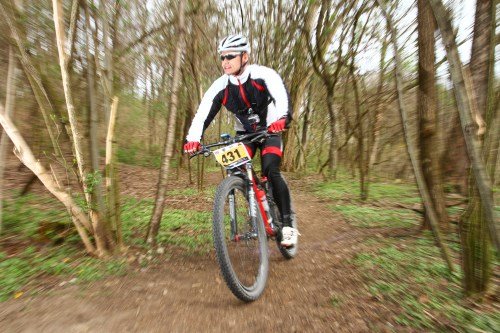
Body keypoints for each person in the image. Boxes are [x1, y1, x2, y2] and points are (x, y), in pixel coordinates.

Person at [183, 34, 299, 246]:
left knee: (271, 171)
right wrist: (193, 139)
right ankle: (258, 201)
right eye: (222, 57)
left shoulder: (263, 75)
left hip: (270, 130)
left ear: (244, 57)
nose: (225, 61)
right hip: (245, 134)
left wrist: (282, 117)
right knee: (236, 170)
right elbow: (203, 112)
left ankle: (288, 223)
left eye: (230, 56)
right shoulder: (220, 86)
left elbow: (281, 96)